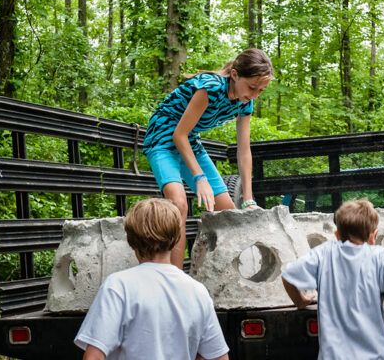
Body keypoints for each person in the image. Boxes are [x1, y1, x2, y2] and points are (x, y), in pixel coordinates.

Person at [143, 48, 273, 268]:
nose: (254, 95)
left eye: (261, 90)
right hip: (162, 137)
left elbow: (243, 150)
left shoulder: (245, 103)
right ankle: (174, 279)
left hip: (189, 141)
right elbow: (178, 135)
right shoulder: (210, 88)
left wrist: (249, 200)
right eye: (252, 87)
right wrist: (199, 177)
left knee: (228, 213)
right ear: (234, 75)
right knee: (178, 204)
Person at [74, 198, 229, 360]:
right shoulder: (197, 292)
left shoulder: (118, 287)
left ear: (130, 240)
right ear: (176, 239)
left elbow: (94, 357)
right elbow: (218, 357)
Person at [281, 199, 384, 360]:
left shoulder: (323, 254)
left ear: (337, 235)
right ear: (374, 235)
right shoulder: (379, 256)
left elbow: (288, 277)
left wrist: (300, 301)